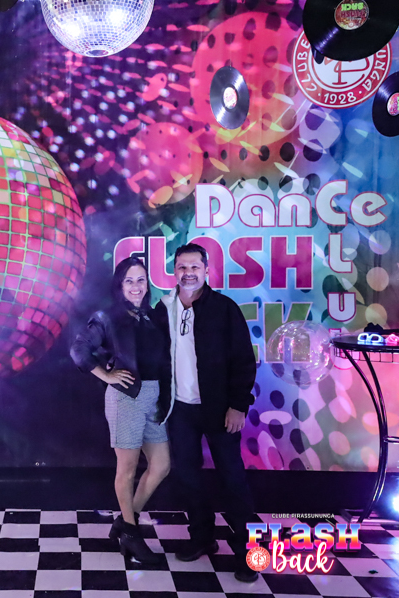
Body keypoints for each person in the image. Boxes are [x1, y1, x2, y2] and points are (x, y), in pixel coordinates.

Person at [154, 243, 258, 582]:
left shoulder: (224, 309)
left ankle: (247, 552)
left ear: (207, 270)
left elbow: (244, 360)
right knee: (188, 477)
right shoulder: (164, 308)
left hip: (220, 409)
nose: (188, 273)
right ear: (174, 271)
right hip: (179, 410)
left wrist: (238, 405)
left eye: (194, 267)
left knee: (233, 480)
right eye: (182, 267)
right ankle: (202, 537)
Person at [71, 256, 171, 564]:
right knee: (126, 470)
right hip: (126, 397)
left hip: (154, 398)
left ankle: (127, 521)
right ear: (120, 285)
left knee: (161, 465)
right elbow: (79, 349)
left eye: (141, 280)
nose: (136, 286)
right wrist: (107, 375)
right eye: (129, 280)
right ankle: (131, 534)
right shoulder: (108, 316)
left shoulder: (152, 315)